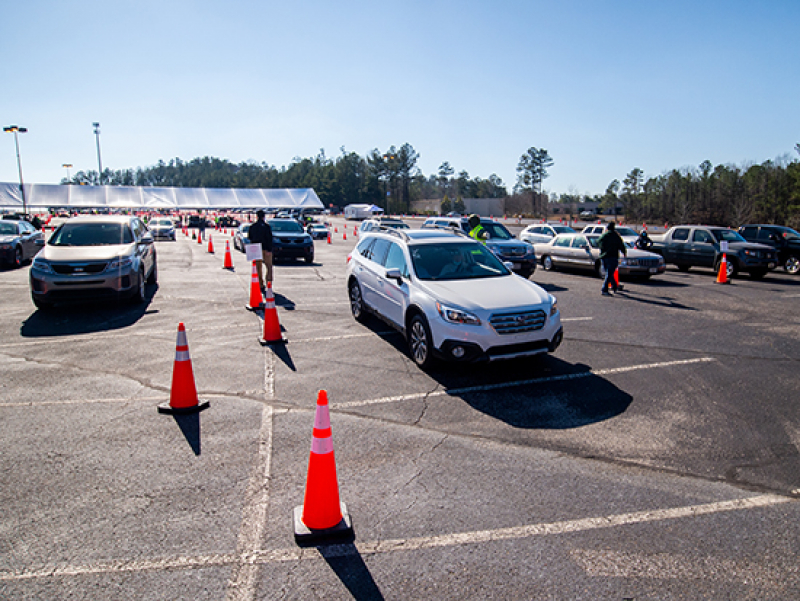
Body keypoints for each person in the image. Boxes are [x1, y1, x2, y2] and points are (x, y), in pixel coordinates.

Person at [597, 222, 627, 296]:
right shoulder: (615, 236)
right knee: (610, 273)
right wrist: (624, 252)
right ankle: (604, 289)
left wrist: (603, 249)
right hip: (612, 256)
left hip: (604, 256)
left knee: (609, 273)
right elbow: (621, 245)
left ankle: (614, 286)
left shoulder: (604, 235)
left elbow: (598, 242)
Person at [248, 209, 273, 291]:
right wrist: (269, 249)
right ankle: (269, 282)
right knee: (269, 266)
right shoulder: (266, 227)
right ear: (263, 217)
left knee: (258, 267)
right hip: (265, 248)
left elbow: (249, 237)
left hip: (255, 248)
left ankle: (260, 284)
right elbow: (269, 238)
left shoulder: (252, 227)